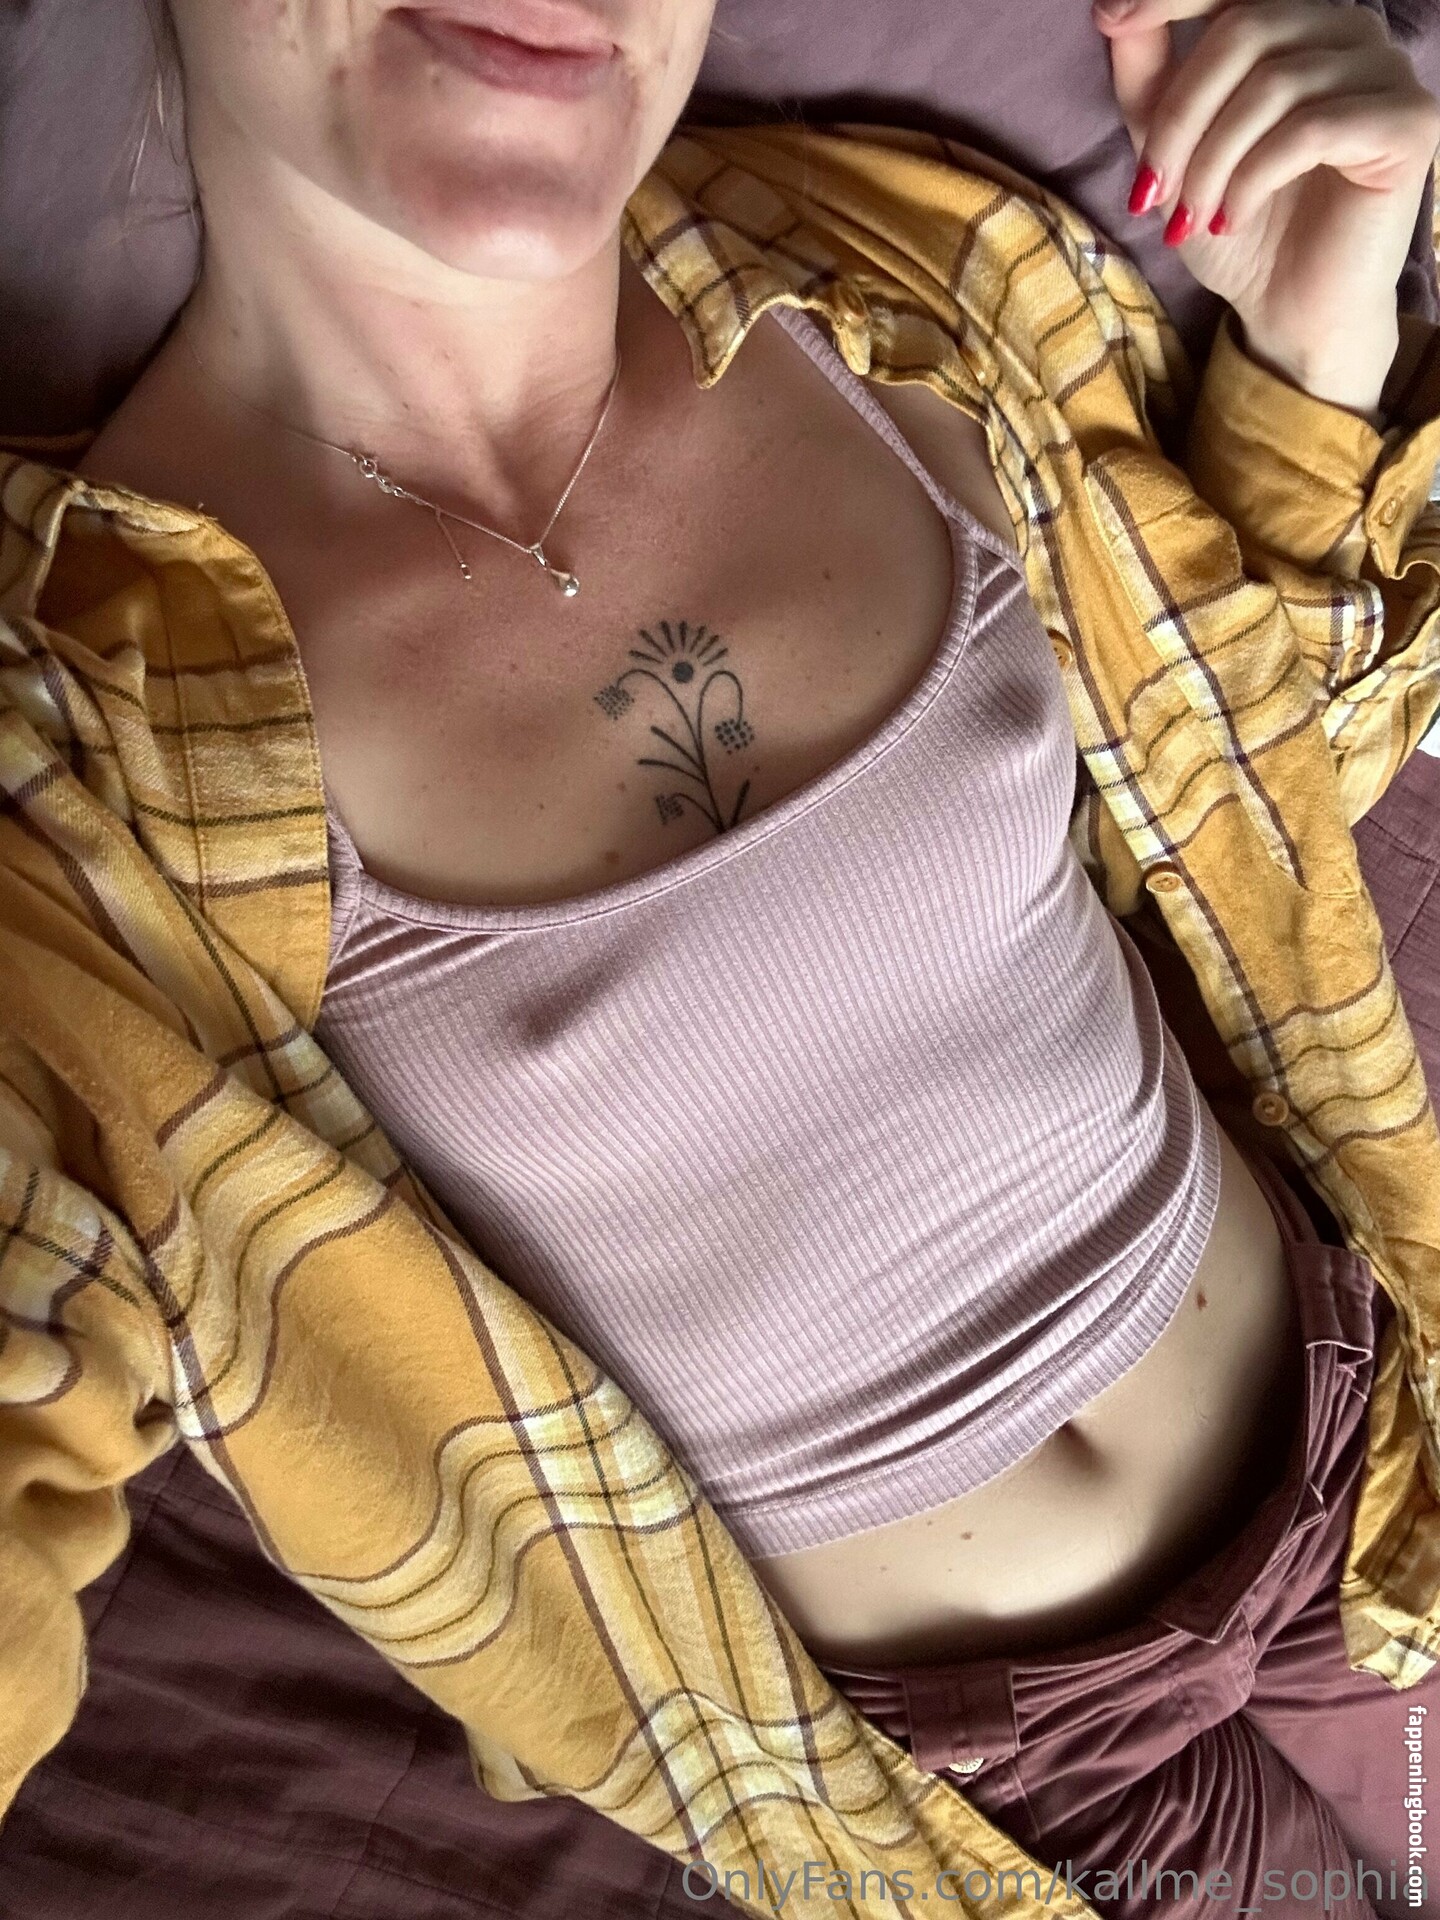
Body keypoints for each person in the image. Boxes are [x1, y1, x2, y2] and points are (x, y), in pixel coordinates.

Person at [3, 0, 1440, 1914]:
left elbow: (1253, 777)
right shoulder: (72, 741)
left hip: (1374, 1434)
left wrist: (1315, 345)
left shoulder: (895, 269)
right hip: (1001, 1776)